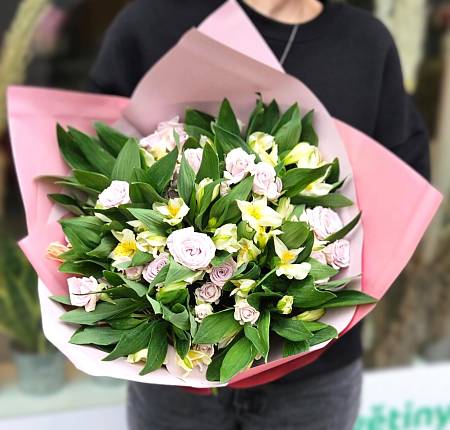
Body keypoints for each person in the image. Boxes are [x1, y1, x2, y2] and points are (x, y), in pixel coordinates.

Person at [88, 1, 430, 429]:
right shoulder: (154, 22)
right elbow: (93, 170)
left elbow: (401, 190)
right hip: (173, 377)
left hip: (316, 379)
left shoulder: (365, 44)